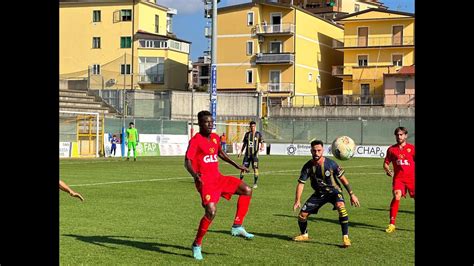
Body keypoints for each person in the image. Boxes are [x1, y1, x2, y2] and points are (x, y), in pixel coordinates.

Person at [185, 110, 254, 260]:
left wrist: (237, 166)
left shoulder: (215, 138)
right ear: (200, 124)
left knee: (247, 190)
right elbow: (187, 161)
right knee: (211, 211)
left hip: (218, 178)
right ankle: (197, 244)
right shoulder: (195, 140)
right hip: (205, 182)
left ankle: (237, 226)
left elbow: (221, 154)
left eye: (211, 121)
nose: (210, 124)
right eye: (206, 122)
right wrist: (195, 175)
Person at [293, 140, 360, 247]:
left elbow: (343, 179)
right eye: (314, 151)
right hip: (319, 194)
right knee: (302, 216)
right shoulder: (307, 166)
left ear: (323, 150)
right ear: (311, 151)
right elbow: (301, 183)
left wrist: (352, 194)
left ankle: (345, 238)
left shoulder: (331, 164)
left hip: (334, 192)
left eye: (319, 150)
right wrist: (297, 200)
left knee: (341, 207)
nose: (316, 153)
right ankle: (304, 235)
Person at [383, 127, 415, 233]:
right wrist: (387, 169)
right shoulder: (391, 149)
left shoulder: (412, 148)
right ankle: (392, 224)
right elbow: (386, 163)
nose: (399, 136)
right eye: (397, 135)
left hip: (412, 179)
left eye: (401, 135)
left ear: (405, 135)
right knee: (397, 195)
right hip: (399, 179)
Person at [238, 121, 264, 188]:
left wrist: (262, 146)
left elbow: (262, 141)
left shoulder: (258, 134)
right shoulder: (247, 134)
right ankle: (239, 182)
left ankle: (255, 184)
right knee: (243, 168)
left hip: (255, 155)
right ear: (250, 127)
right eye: (251, 126)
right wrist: (241, 152)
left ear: (255, 126)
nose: (253, 128)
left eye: (254, 126)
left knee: (255, 169)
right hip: (247, 155)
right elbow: (244, 144)